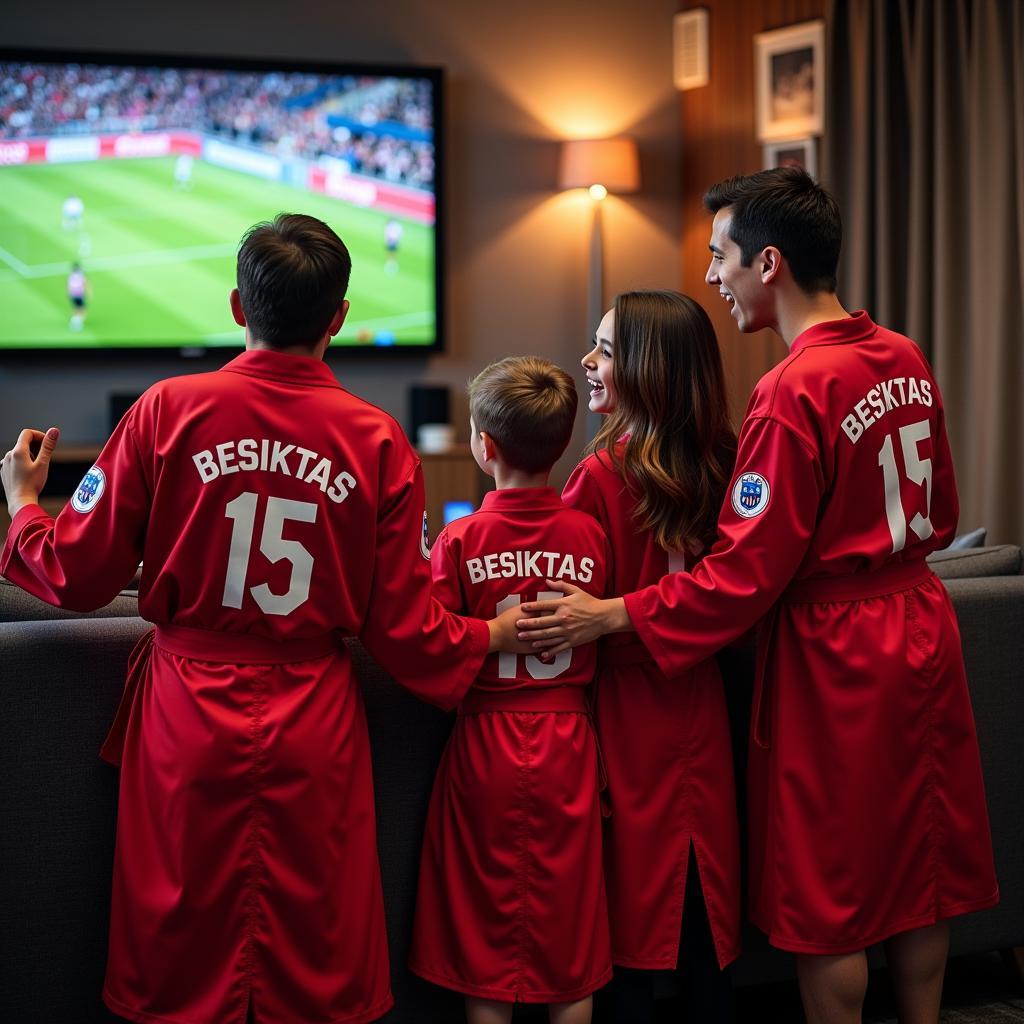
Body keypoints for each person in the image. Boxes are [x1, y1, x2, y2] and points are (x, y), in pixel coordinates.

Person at [0, 213, 528, 1024]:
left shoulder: (164, 409)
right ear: (341, 318)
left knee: (176, 944)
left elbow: (75, 570)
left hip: (184, 720)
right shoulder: (381, 441)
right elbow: (404, 627)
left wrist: (25, 507)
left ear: (239, 307)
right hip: (315, 723)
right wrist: (487, 634)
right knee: (312, 949)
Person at [518, 169, 999, 1024]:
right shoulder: (903, 354)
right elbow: (944, 509)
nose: (712, 276)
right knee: (926, 867)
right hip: (925, 623)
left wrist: (616, 612)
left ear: (768, 263)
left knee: (832, 890)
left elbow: (743, 575)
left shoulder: (789, 393)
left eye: (720, 256)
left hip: (839, 650)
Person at [408, 357, 613, 1024]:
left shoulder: (462, 538)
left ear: (484, 447)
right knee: (570, 938)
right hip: (569, 746)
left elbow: (430, 639)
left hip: (486, 748)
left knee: (486, 943)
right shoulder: (592, 533)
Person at [561, 290, 740, 1023]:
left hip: (623, 711)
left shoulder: (599, 476)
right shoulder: (728, 459)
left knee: (628, 908)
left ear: (647, 369)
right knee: (705, 909)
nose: (588, 362)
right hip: (703, 701)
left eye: (604, 349)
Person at [66, 262, 89, 331]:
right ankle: (78, 323)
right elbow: (85, 283)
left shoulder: (71, 276)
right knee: (82, 310)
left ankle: (74, 321)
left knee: (76, 309)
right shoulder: (81, 275)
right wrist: (87, 292)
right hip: (79, 295)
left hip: (72, 295)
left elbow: (68, 286)